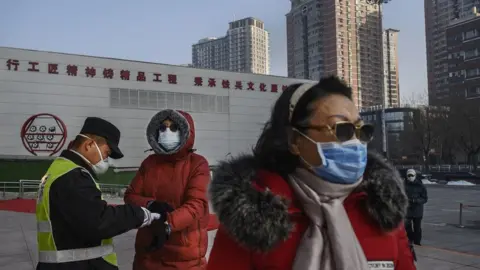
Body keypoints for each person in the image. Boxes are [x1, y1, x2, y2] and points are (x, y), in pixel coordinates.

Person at [207, 76, 416, 270]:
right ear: (295, 141)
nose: (355, 142)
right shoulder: (251, 220)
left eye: (361, 131)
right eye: (341, 129)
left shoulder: (380, 210)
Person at [36, 117, 161, 270]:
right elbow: (98, 221)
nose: (107, 161)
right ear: (89, 145)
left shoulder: (60, 169)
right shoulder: (74, 177)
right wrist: (139, 214)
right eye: (106, 153)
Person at [124, 109, 210, 270]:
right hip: (148, 254)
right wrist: (150, 204)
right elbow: (130, 196)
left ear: (186, 132)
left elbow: (197, 205)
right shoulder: (149, 163)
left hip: (184, 259)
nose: (167, 132)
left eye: (173, 128)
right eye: (163, 128)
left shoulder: (197, 164)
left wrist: (167, 224)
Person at [404, 169, 428, 246]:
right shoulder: (403, 185)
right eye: (409, 175)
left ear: (415, 176)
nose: (410, 177)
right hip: (407, 210)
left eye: (412, 175)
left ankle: (417, 242)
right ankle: (410, 240)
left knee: (417, 228)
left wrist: (416, 200)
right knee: (407, 227)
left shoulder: (421, 186)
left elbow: (425, 198)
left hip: (417, 210)